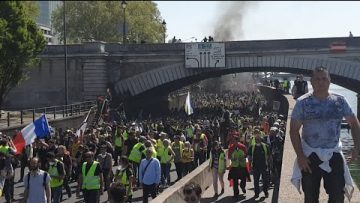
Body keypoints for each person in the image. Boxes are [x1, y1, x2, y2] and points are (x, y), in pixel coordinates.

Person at [290, 66, 360, 203]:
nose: (320, 82)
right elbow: (293, 131)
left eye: (324, 79)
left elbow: (354, 123)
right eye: (317, 79)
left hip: (333, 153)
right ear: (311, 81)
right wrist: (300, 156)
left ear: (329, 81)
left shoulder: (340, 101)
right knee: (310, 197)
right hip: (310, 156)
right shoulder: (302, 103)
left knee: (337, 196)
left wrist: (357, 147)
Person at [248, 129, 270, 198]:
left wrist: (270, 166)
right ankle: (256, 193)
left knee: (265, 181)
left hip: (264, 166)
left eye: (259, 139)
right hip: (255, 167)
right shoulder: (252, 147)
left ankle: (265, 192)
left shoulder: (266, 146)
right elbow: (249, 157)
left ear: (261, 140)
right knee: (256, 181)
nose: (258, 140)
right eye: (256, 139)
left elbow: (269, 156)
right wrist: (250, 166)